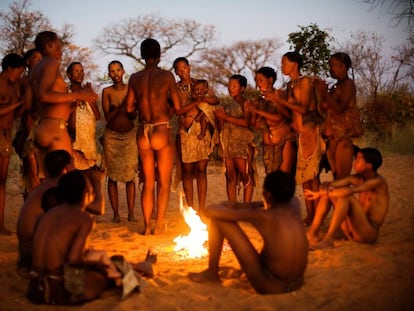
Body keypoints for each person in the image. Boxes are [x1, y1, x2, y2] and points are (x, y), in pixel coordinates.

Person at [27, 170, 157, 305]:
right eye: (90, 188)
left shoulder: (48, 213)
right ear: (86, 194)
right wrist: (98, 264)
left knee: (106, 261)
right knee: (105, 272)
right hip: (56, 289)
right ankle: (143, 267)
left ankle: (142, 266)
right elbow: (73, 259)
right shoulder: (83, 219)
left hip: (35, 286)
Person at [189, 170, 308, 294]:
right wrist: (246, 205)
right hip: (296, 283)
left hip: (270, 285)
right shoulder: (295, 205)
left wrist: (232, 206)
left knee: (220, 220)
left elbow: (211, 211)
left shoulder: (266, 217)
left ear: (267, 195)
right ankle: (213, 272)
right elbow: (271, 202)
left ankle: (212, 272)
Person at [125, 38, 184, 235]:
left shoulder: (135, 78)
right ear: (159, 55)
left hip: (143, 131)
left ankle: (146, 224)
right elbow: (177, 107)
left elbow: (128, 108)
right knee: (164, 182)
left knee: (148, 182)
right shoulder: (166, 76)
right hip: (161, 128)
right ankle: (158, 224)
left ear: (142, 55)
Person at [29, 31, 97, 177]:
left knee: (50, 181)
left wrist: (70, 105)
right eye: (59, 47)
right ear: (49, 45)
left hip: (42, 127)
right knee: (69, 179)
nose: (61, 52)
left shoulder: (35, 70)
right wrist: (78, 94)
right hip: (55, 129)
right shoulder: (50, 63)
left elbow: (31, 102)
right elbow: (43, 95)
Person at [272, 51, 325, 226]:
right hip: (299, 134)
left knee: (312, 176)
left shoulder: (304, 82)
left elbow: (303, 109)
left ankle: (317, 216)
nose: (282, 66)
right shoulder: (290, 85)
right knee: (304, 178)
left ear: (295, 64)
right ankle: (310, 215)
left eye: (285, 63)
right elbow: (290, 113)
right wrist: (278, 101)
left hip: (310, 132)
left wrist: (281, 101)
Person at [304, 147, 389, 249]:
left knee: (344, 195)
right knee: (330, 193)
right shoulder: (356, 178)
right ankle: (312, 232)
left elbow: (349, 191)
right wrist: (323, 191)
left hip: (367, 233)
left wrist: (320, 193)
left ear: (368, 166)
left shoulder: (378, 182)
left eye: (358, 160)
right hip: (351, 230)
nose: (355, 162)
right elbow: (328, 185)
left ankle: (328, 240)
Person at [172, 57, 219, 211]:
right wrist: (195, 103)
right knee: (187, 171)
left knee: (201, 170)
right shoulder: (175, 88)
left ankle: (202, 208)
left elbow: (215, 99)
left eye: (184, 67)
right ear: (176, 72)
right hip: (185, 132)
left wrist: (202, 99)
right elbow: (177, 110)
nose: (182, 71)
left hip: (201, 131)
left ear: (189, 67)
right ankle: (191, 208)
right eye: (178, 69)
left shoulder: (200, 84)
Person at [16, 150, 73, 274]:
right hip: (35, 250)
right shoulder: (56, 189)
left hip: (25, 248)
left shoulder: (44, 187)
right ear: (66, 168)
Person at [314, 52, 364, 180]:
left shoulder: (348, 84)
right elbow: (324, 110)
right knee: (336, 178)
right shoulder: (335, 86)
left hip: (343, 139)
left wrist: (325, 93)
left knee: (341, 181)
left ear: (343, 66)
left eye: (333, 66)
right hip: (332, 139)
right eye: (329, 66)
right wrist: (320, 93)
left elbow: (339, 108)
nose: (331, 69)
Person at [101, 60, 138, 223]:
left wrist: (128, 108)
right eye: (112, 71)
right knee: (113, 176)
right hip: (111, 136)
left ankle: (131, 213)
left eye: (118, 70)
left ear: (124, 72)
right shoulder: (107, 91)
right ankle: (116, 214)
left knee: (130, 175)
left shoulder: (131, 90)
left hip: (129, 135)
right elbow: (107, 118)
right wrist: (120, 107)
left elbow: (134, 115)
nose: (115, 74)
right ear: (109, 74)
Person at [246, 67, 296, 176]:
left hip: (284, 142)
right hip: (268, 146)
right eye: (256, 81)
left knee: (283, 177)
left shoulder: (280, 95)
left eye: (261, 80)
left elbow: (283, 117)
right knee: (272, 180)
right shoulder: (258, 100)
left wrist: (258, 111)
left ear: (270, 80)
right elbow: (254, 124)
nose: (258, 83)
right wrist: (252, 110)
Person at [214, 74, 256, 203]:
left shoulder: (246, 103)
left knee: (246, 175)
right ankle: (233, 206)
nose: (230, 88)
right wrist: (220, 119)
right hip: (228, 143)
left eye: (234, 86)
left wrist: (225, 117)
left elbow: (247, 123)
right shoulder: (227, 105)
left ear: (242, 88)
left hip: (242, 143)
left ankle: (247, 206)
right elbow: (221, 125)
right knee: (230, 176)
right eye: (229, 86)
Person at [0, 53, 26, 234]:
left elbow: (14, 114)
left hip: (6, 135)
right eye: (18, 71)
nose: (19, 75)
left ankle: (0, 224)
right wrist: (17, 105)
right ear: (9, 68)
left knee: (1, 182)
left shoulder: (15, 86)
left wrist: (23, 105)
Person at [12, 48, 42, 198]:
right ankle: (30, 213)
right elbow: (21, 110)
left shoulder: (46, 81)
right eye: (36, 59)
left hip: (44, 131)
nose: (40, 62)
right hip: (28, 131)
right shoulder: (23, 82)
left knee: (45, 176)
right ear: (28, 62)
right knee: (31, 177)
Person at [66, 62, 101, 170]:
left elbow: (98, 115)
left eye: (81, 71)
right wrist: (80, 97)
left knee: (89, 174)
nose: (80, 74)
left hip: (88, 141)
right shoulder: (66, 92)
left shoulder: (88, 91)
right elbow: (65, 116)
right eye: (76, 71)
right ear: (69, 75)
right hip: (72, 141)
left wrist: (87, 95)